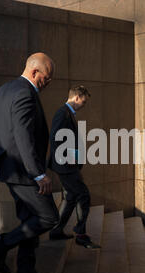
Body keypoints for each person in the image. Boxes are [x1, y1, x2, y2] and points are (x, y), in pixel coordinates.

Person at [0, 53, 59, 273]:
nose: (49, 82)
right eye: (47, 78)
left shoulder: (5, 89)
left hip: (10, 168)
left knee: (29, 220)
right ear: (34, 72)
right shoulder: (25, 93)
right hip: (23, 171)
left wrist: (4, 135)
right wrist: (39, 174)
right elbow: (23, 138)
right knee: (48, 217)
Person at [47, 85, 101, 249]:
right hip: (66, 166)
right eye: (83, 101)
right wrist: (71, 161)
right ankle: (81, 234)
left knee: (71, 198)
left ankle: (57, 231)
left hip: (68, 166)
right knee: (83, 195)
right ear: (76, 97)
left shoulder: (67, 113)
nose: (84, 105)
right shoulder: (63, 113)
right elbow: (57, 138)